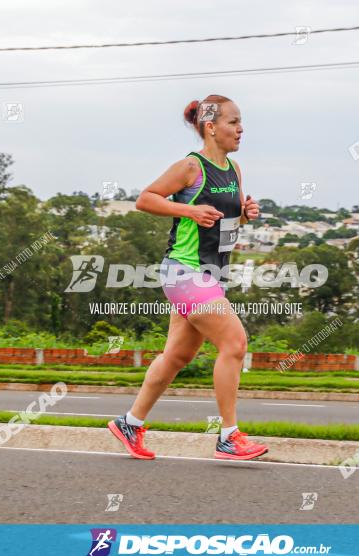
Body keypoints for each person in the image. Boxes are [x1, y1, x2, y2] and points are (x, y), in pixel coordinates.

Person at [108, 94, 265, 461]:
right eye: (233, 122)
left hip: (212, 273)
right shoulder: (190, 167)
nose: (241, 129)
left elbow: (225, 219)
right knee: (235, 343)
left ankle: (130, 423)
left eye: (241, 122)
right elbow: (145, 199)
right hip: (185, 271)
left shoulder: (233, 170)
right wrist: (188, 210)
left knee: (176, 356)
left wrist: (245, 214)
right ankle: (228, 436)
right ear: (211, 127)